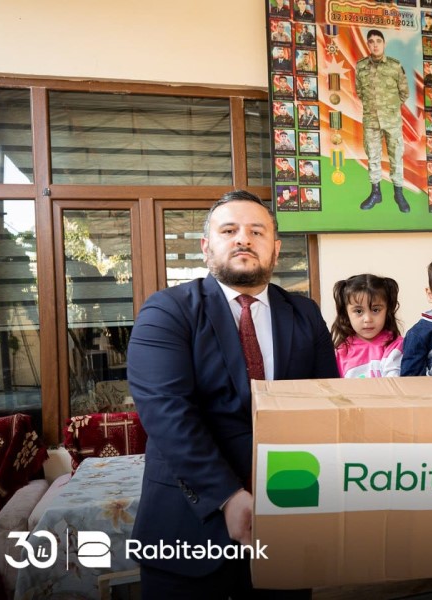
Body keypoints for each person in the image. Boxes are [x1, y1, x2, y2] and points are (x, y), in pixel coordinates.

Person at [127, 190, 339, 599]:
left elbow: (325, 406)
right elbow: (168, 414)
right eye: (229, 230)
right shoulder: (167, 311)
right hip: (189, 529)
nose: (244, 239)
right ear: (206, 246)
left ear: (276, 248)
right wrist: (227, 496)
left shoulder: (305, 313)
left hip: (286, 522)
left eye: (257, 231)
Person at [355, 29, 411, 213]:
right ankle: (376, 193)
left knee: (396, 156)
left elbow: (404, 93)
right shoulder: (361, 67)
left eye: (378, 41)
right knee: (373, 156)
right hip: (371, 120)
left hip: (392, 121)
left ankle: (398, 193)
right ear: (368, 45)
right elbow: (360, 92)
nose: (375, 44)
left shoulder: (395, 66)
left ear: (384, 43)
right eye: (371, 41)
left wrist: (390, 109)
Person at [332, 274, 404, 378]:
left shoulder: (397, 345)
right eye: (358, 311)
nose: (368, 319)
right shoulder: (340, 351)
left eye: (375, 310)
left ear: (387, 310)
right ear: (346, 313)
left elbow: (394, 383)